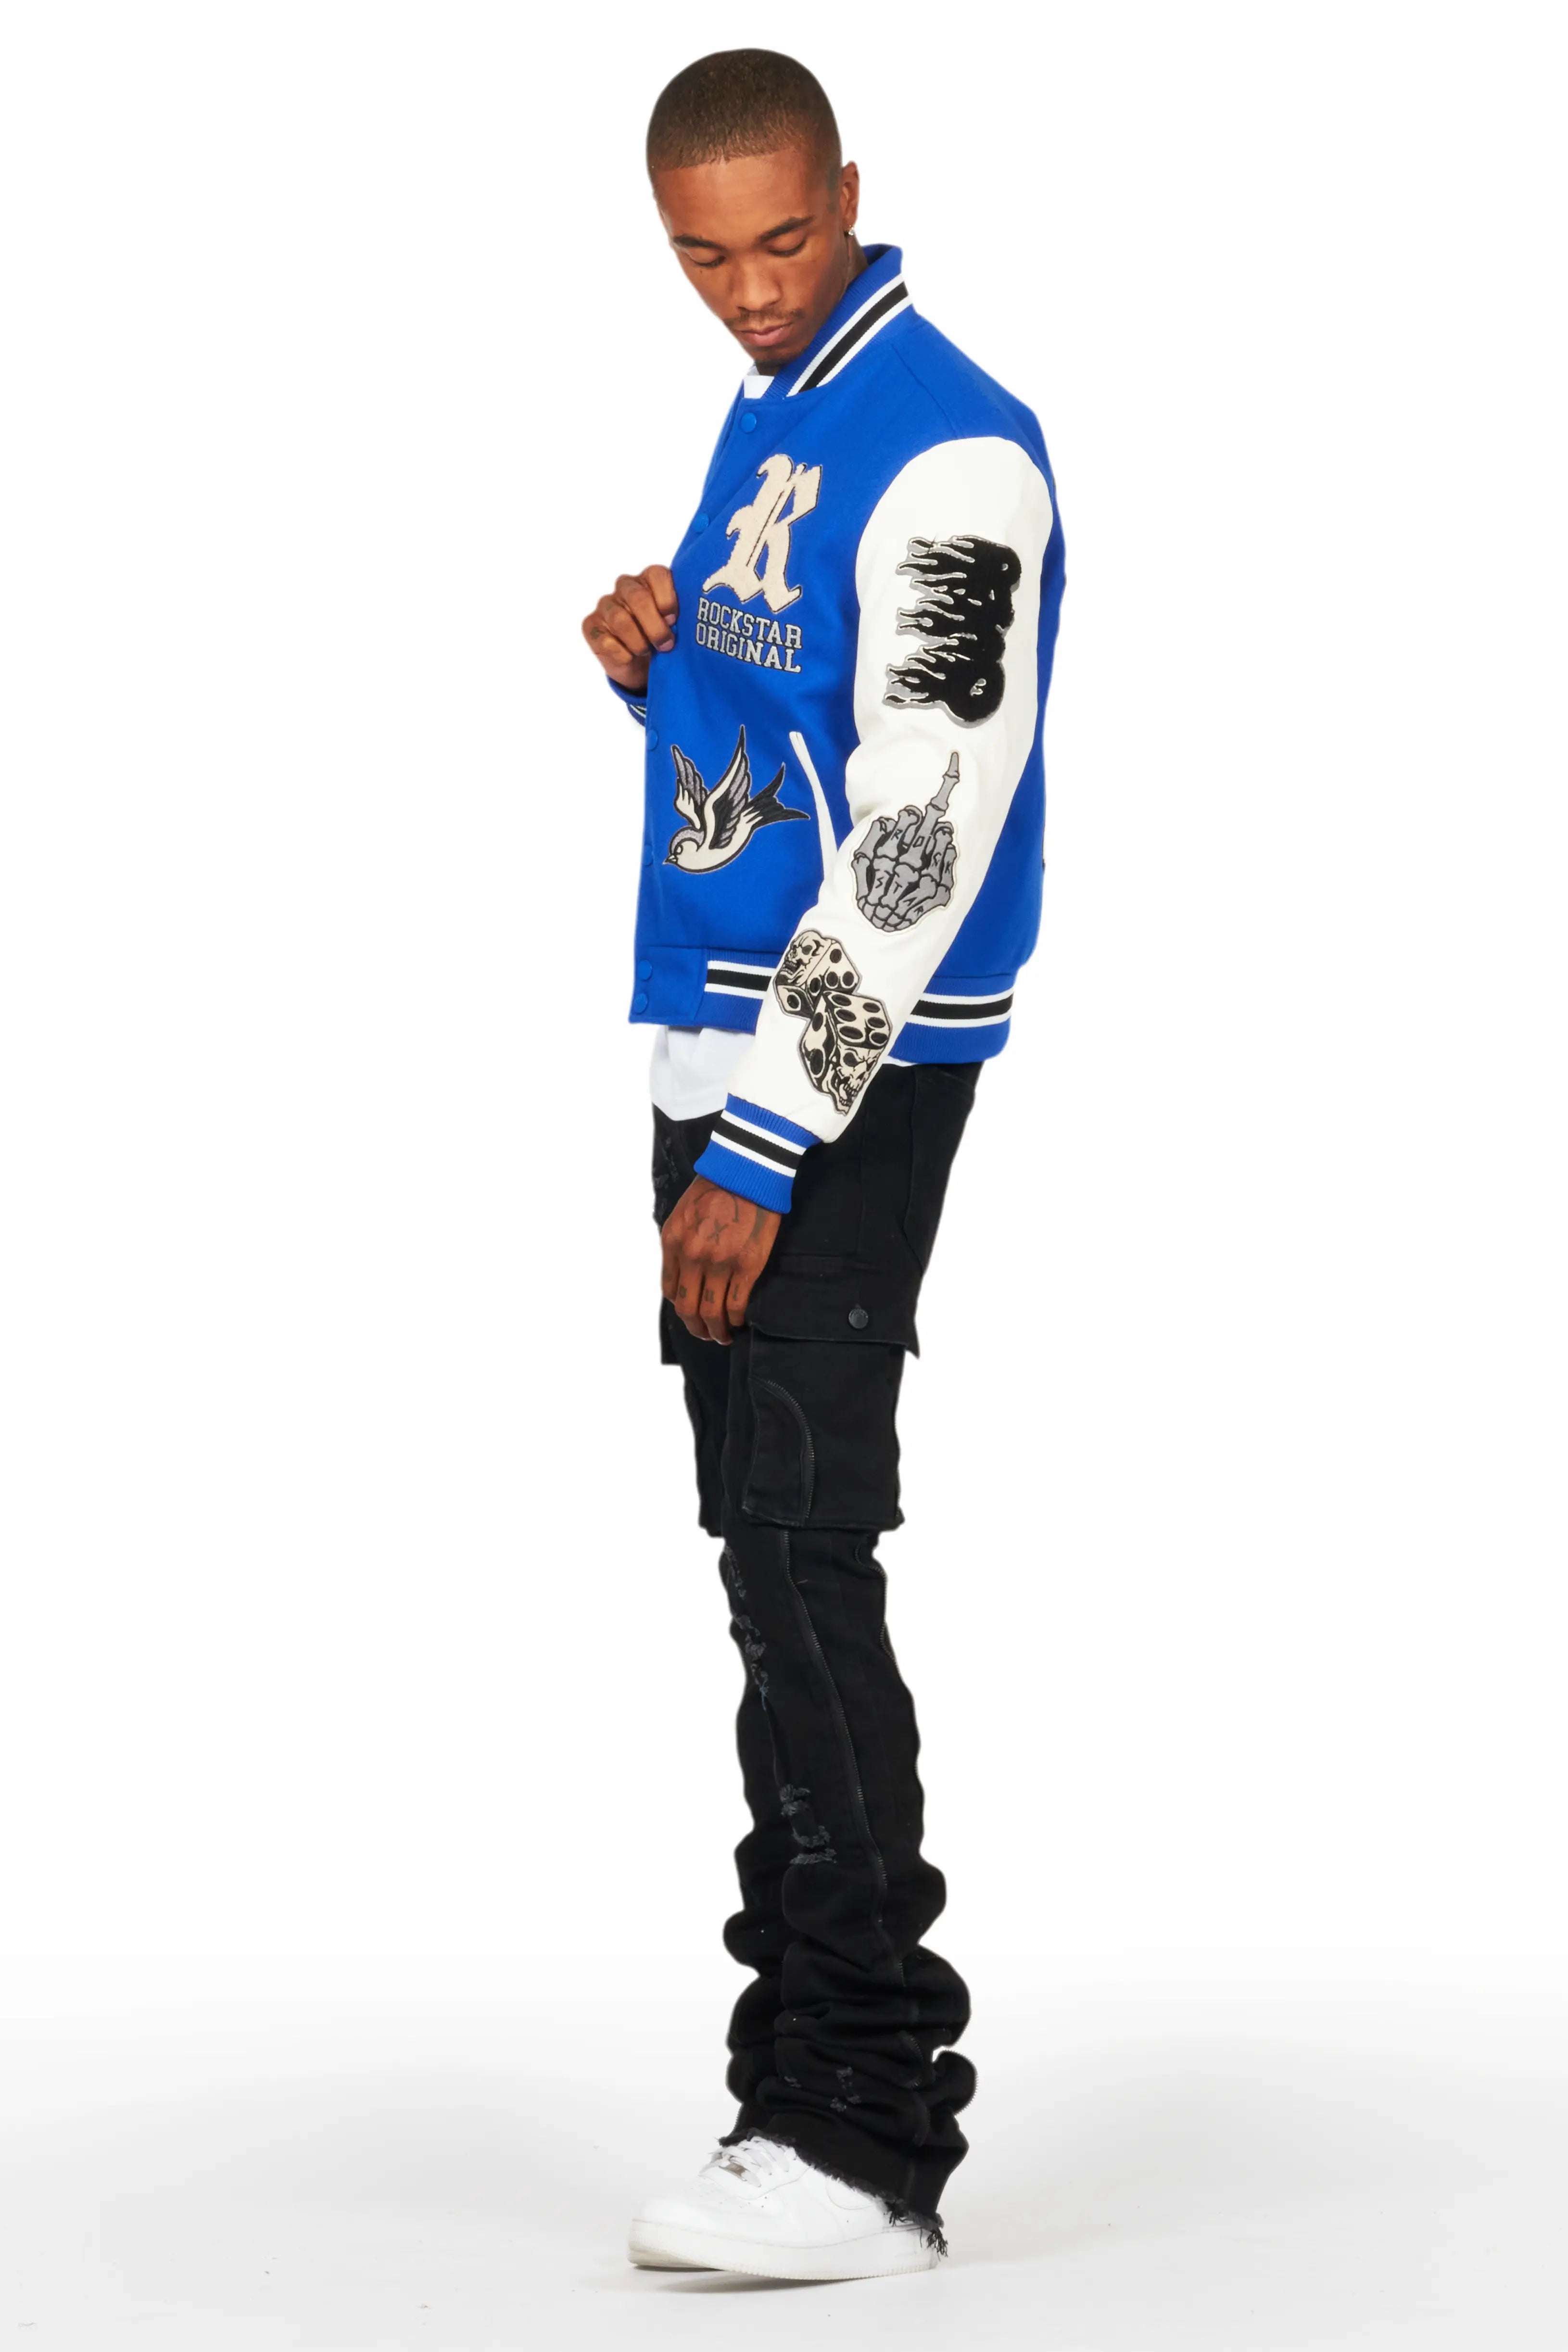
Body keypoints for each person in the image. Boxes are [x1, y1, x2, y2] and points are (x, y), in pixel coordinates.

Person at [581, 48, 1065, 2283]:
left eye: (784, 239)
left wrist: (769, 1137)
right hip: (725, 1032)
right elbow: (806, 737)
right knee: (761, 1564)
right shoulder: (773, 406)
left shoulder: (950, 448)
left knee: (803, 1548)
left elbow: (926, 819)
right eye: (706, 256)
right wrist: (661, 671)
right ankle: (790, 2074)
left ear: (848, 191)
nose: (752, 290)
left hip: (832, 1073)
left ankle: (863, 2133)